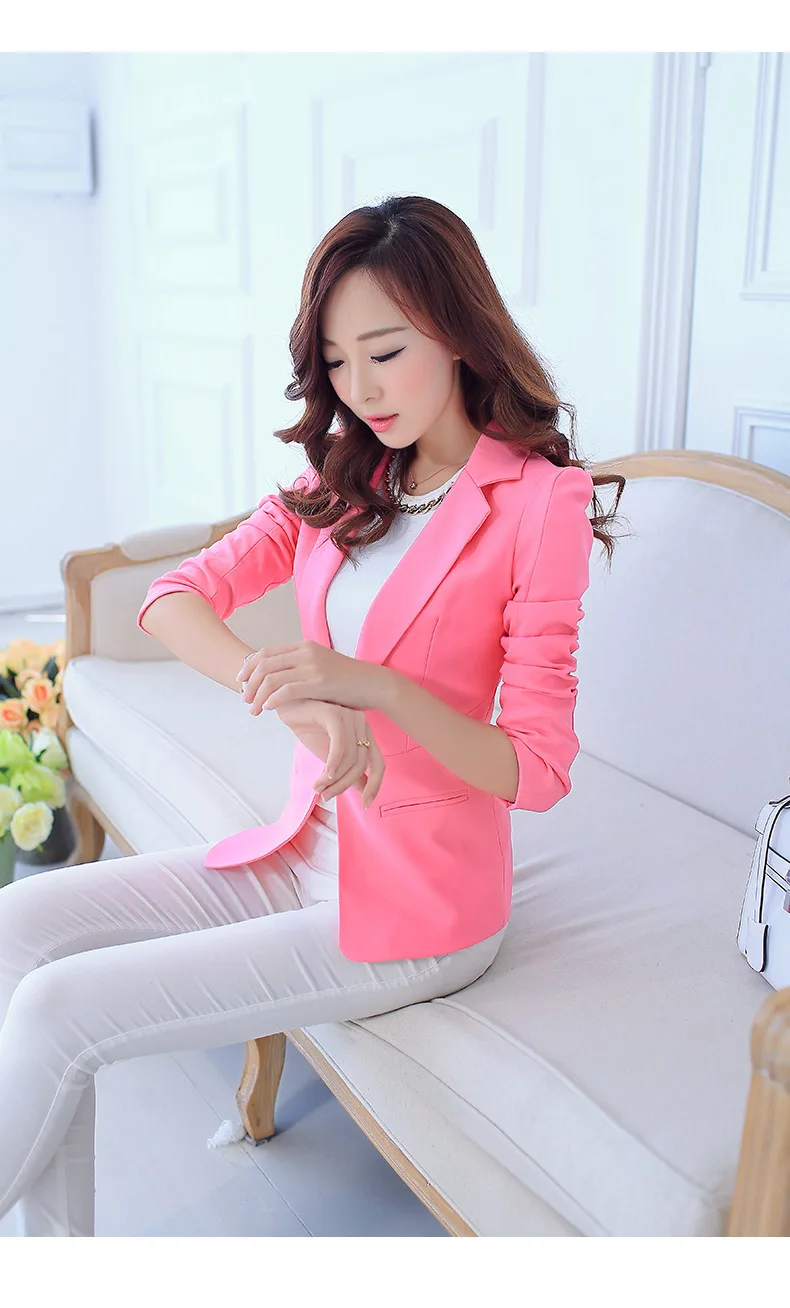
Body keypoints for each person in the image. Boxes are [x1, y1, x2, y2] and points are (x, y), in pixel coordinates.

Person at [0, 195, 624, 1237]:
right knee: (17, 929)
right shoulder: (347, 477)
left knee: (64, 1010)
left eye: (384, 353)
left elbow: (538, 769)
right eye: (336, 362)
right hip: (301, 848)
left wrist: (375, 688)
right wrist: (297, 698)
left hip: (423, 907)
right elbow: (172, 598)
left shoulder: (537, 503)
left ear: (457, 332)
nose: (360, 390)